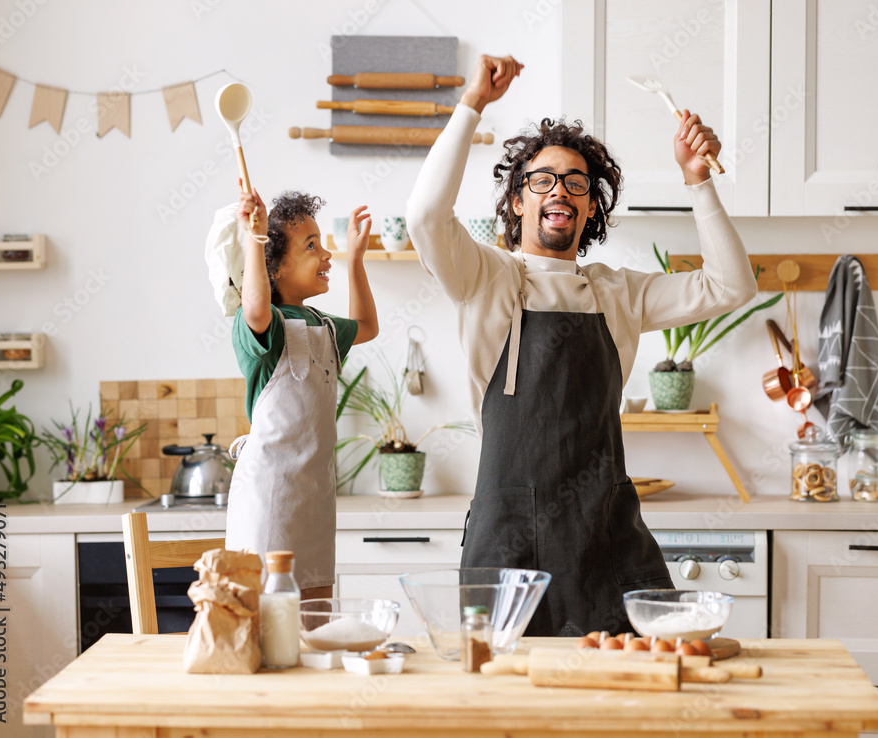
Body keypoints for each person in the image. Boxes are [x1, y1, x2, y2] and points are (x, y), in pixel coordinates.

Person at [405, 55, 757, 636]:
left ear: (591, 207)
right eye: (541, 180)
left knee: (625, 707)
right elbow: (423, 214)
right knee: (506, 714)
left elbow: (731, 284)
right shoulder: (482, 279)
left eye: (575, 182)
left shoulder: (618, 293)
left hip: (606, 539)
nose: (559, 190)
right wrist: (472, 105)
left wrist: (699, 179)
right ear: (517, 201)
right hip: (507, 539)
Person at [226, 186, 379, 600]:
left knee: (313, 617)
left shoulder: (324, 325)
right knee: (268, 624)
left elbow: (366, 326)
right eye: (312, 246)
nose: (325, 254)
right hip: (268, 499)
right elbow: (256, 308)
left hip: (315, 498)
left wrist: (355, 260)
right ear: (273, 268)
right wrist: (254, 238)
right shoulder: (260, 323)